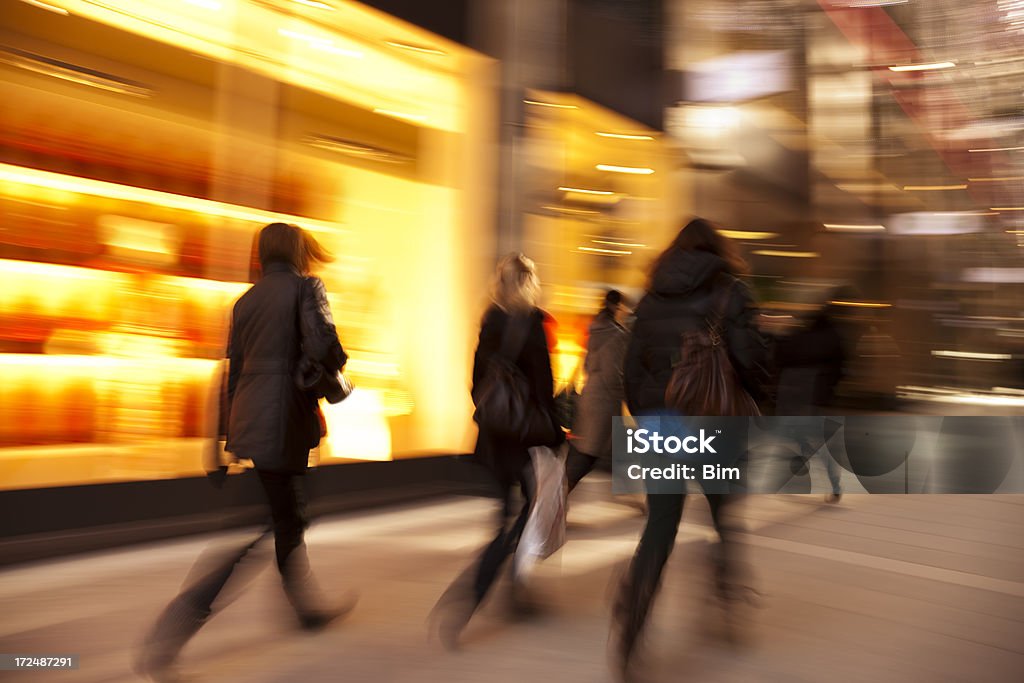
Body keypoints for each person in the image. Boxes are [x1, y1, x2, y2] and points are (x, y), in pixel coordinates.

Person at [136, 223, 353, 681]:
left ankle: (306, 610)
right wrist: (334, 364)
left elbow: (230, 373)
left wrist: (219, 440)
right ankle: (172, 629)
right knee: (255, 532)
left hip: (252, 423)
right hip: (286, 425)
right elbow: (326, 349)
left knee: (287, 520)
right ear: (296, 251)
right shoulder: (306, 287)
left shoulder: (245, 301)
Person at [611, 218, 769, 676]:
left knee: (660, 526)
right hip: (713, 420)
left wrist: (648, 419)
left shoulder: (651, 297)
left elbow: (631, 369)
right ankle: (726, 593)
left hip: (662, 423)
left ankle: (633, 618)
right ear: (716, 249)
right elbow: (751, 357)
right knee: (723, 513)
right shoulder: (730, 290)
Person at [431, 253, 564, 647]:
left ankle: (511, 591)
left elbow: (474, 382)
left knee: (507, 513)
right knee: (526, 512)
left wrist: (495, 410)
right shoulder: (534, 323)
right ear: (529, 282)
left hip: (493, 436)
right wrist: (555, 434)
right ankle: (474, 592)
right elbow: (544, 385)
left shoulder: (489, 319)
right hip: (523, 436)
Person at [565, 290, 632, 490]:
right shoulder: (617, 335)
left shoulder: (594, 329)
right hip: (604, 403)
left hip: (590, 396)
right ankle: (558, 494)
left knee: (592, 452)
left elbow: (587, 366)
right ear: (618, 307)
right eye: (626, 307)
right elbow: (613, 375)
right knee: (588, 456)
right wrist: (628, 395)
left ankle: (636, 494)